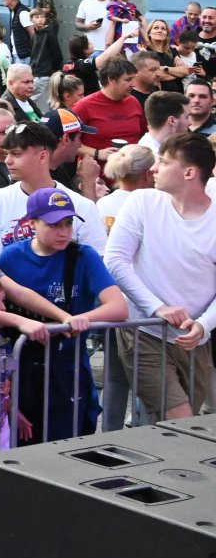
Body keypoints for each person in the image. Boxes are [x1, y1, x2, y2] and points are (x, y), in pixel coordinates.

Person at [0, 189, 127, 442]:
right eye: (54, 225)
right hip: (21, 362)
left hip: (67, 362)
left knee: (70, 436)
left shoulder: (83, 255)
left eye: (68, 224)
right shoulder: (11, 258)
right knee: (21, 437)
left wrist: (81, 319)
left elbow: (118, 307)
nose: (64, 232)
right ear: (32, 222)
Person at [104, 131, 216, 421]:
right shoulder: (142, 202)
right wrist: (157, 307)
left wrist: (203, 325)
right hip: (143, 330)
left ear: (190, 172)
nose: (153, 168)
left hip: (193, 339)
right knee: (179, 417)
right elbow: (115, 259)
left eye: (164, 162)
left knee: (185, 427)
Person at [0, 120, 107, 255]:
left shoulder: (82, 206)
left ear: (43, 156)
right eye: (6, 154)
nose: (7, 160)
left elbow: (98, 260)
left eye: (16, 154)